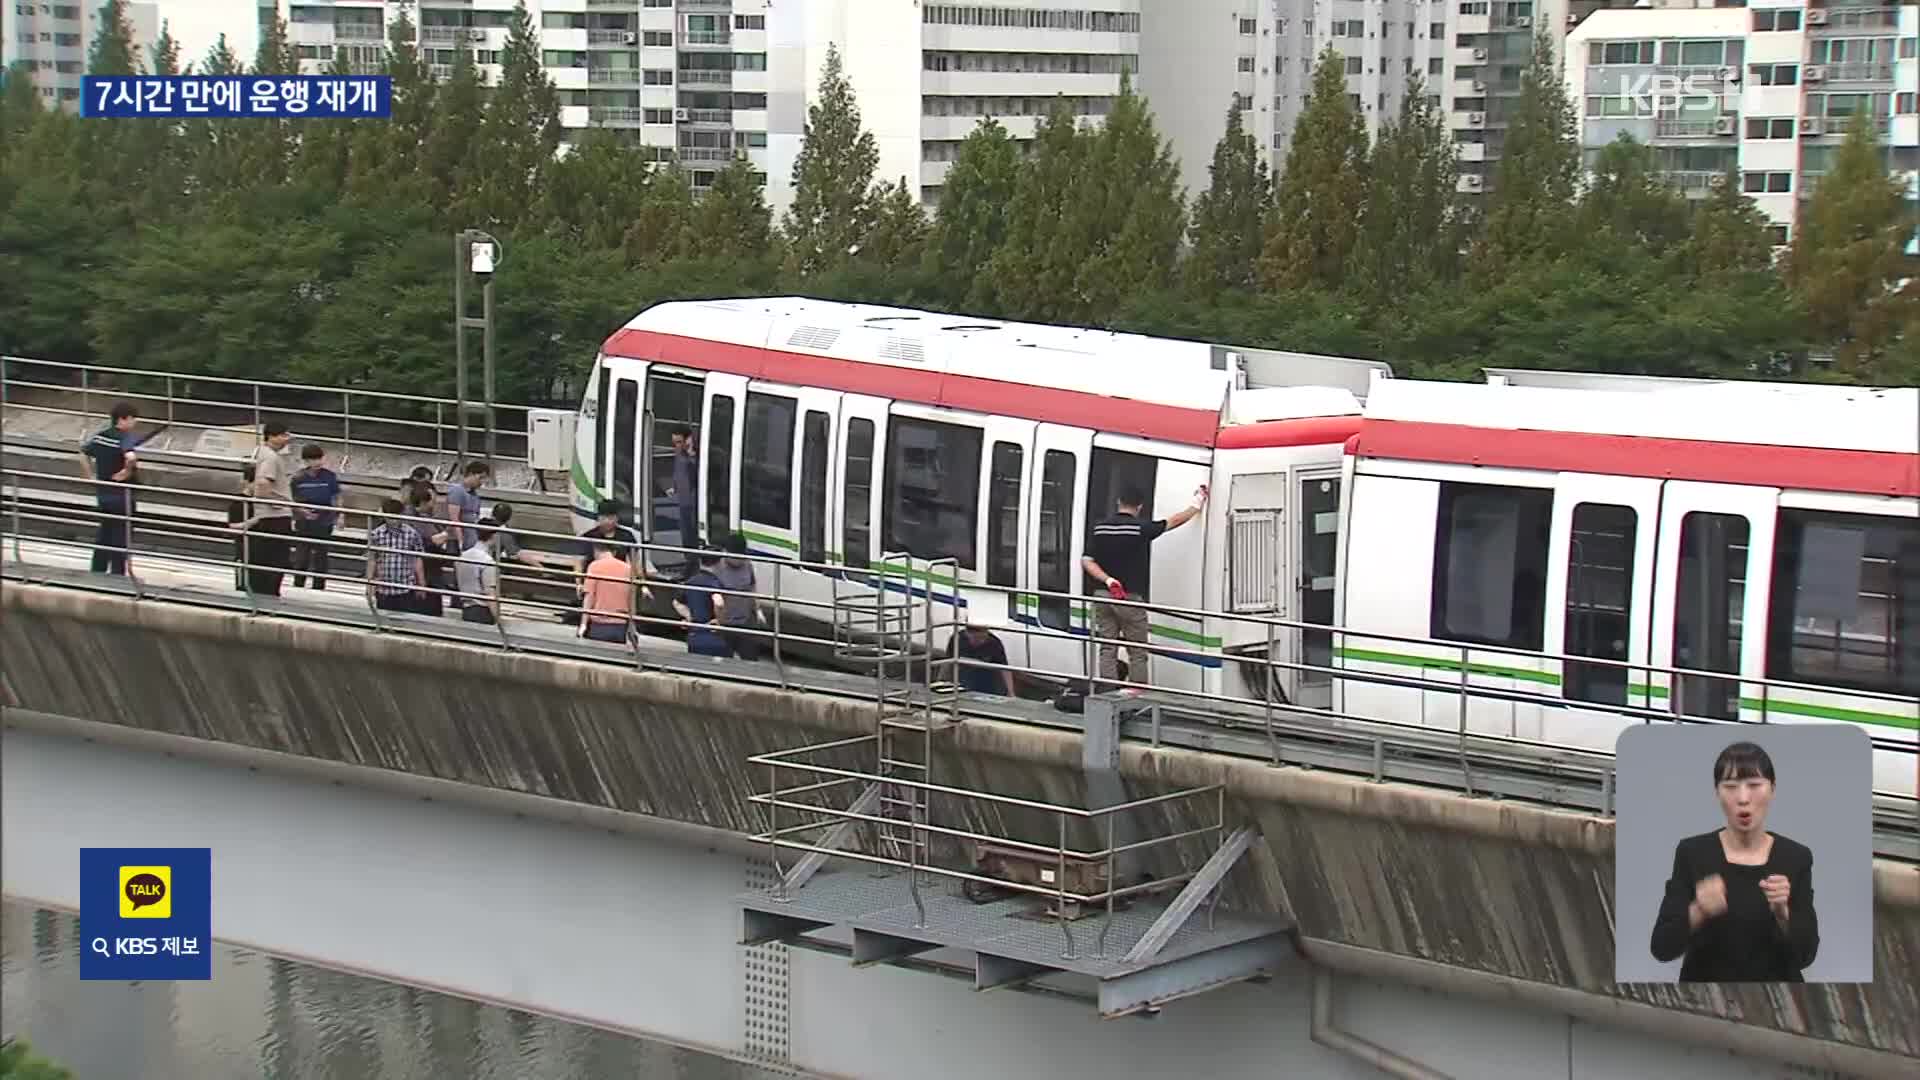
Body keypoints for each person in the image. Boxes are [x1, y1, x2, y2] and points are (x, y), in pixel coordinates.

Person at [1649, 741, 1819, 982]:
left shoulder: (1796, 857)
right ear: (1716, 791)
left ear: (1772, 789)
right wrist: (1698, 910)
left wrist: (1783, 912)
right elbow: (1662, 948)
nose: (1743, 798)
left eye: (1754, 785)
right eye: (1730, 786)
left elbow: (1806, 955)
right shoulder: (1693, 853)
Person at [1079, 483, 1208, 693]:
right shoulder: (1140, 528)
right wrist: (1197, 502)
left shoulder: (1099, 527)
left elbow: (1087, 561)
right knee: (1137, 650)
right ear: (1139, 506)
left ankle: (1108, 692)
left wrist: (1109, 580)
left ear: (1118, 502)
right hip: (1129, 597)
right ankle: (1136, 693)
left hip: (1103, 594)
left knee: (1107, 647)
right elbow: (1174, 521)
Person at [232, 420, 296, 596]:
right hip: (275, 517)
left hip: (267, 516)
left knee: (264, 559)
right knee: (276, 559)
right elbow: (262, 485)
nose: (287, 439)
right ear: (272, 436)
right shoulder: (271, 457)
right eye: (284, 435)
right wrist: (280, 501)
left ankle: (260, 595)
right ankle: (268, 595)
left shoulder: (260, 453)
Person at [81, 401, 141, 575]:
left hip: (103, 494)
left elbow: (82, 453)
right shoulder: (125, 437)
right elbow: (130, 457)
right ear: (123, 419)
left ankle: (97, 570)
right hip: (122, 495)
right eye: (133, 419)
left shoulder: (101, 436)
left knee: (104, 533)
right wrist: (126, 472)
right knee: (121, 537)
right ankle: (117, 574)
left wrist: (90, 476)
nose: (134, 422)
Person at [289, 443, 341, 590]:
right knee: (302, 556)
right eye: (313, 460)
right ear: (306, 461)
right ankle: (298, 585)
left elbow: (336, 496)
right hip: (304, 522)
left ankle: (319, 586)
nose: (317, 463)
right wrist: (302, 512)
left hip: (324, 520)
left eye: (319, 459)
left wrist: (340, 515)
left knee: (321, 556)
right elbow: (291, 501)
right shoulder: (298, 478)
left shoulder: (330, 476)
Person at [367, 498, 428, 614]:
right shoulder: (376, 534)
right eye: (390, 518)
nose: (394, 521)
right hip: (383, 588)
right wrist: (369, 584)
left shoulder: (412, 534)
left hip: (405, 588)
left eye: (396, 517)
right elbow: (372, 560)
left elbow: (418, 559)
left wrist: (421, 584)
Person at [711, 532, 764, 660]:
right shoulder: (716, 569)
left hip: (744, 622)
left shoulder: (747, 565)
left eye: (741, 557)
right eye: (736, 557)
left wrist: (758, 610)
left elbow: (752, 587)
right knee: (725, 661)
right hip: (724, 624)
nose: (739, 561)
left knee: (750, 659)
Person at [673, 546, 732, 658]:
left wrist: (690, 617)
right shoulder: (714, 582)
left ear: (700, 561)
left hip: (694, 634)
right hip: (713, 636)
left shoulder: (691, 581)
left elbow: (676, 602)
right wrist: (719, 620)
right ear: (719, 563)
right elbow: (718, 602)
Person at [580, 542, 638, 644]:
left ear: (596, 551)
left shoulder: (594, 566)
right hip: (621, 624)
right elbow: (632, 599)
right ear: (614, 552)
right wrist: (632, 625)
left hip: (599, 623)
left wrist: (583, 624)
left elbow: (589, 597)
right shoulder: (628, 569)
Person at [951, 622, 1015, 697]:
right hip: (964, 683)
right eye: (976, 638)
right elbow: (947, 662)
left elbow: (1004, 669)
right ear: (967, 633)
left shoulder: (994, 643)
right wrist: (941, 681)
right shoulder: (957, 639)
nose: (981, 641)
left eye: (983, 638)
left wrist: (1011, 692)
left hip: (989, 685)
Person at [456, 524, 501, 625]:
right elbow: (489, 593)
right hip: (482, 612)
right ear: (494, 536)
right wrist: (498, 620)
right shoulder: (487, 561)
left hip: (466, 610)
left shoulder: (463, 556)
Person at [444, 460, 489, 551]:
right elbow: (454, 519)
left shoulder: (475, 495)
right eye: (480, 478)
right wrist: (460, 541)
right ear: (471, 474)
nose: (482, 482)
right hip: (457, 541)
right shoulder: (457, 491)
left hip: (471, 540)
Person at [667, 425, 699, 548]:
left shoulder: (695, 455)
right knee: (685, 535)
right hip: (683, 500)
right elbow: (678, 471)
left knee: (692, 533)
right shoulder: (679, 453)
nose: (677, 446)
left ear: (688, 439)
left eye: (680, 442)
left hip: (693, 501)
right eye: (674, 443)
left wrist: (691, 455)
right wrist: (674, 487)